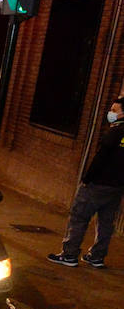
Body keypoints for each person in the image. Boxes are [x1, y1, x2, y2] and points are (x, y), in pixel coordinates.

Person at [48, 97, 124, 267]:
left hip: (98, 184)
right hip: (116, 188)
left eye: (114, 110)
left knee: (79, 216)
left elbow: (101, 158)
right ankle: (97, 256)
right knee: (106, 222)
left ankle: (69, 254)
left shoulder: (115, 132)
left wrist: (87, 179)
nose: (110, 113)